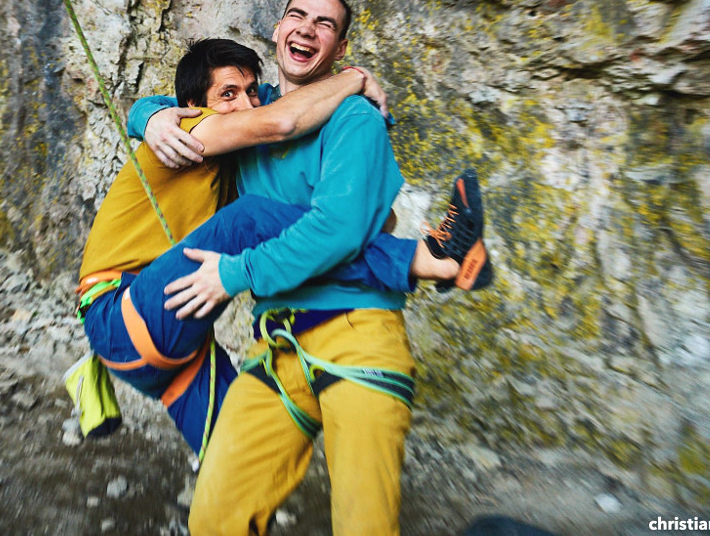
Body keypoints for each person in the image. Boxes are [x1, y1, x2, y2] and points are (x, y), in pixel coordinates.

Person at [134, 0, 492, 534]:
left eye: (324, 24)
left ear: (340, 47)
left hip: (357, 333)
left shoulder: (357, 120)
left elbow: (336, 231)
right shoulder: (250, 108)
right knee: (214, 520)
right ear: (277, 32)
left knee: (363, 528)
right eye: (296, 15)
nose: (307, 27)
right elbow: (197, 100)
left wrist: (234, 273)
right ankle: (435, 257)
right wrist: (150, 116)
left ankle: (437, 257)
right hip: (276, 344)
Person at [79, 38, 485, 457]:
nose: (246, 104)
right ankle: (426, 258)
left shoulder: (233, 164)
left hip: (173, 341)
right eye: (228, 94)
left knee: (236, 465)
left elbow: (322, 227)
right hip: (122, 313)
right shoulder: (187, 130)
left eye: (252, 91)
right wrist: (355, 78)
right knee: (250, 217)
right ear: (193, 104)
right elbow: (281, 121)